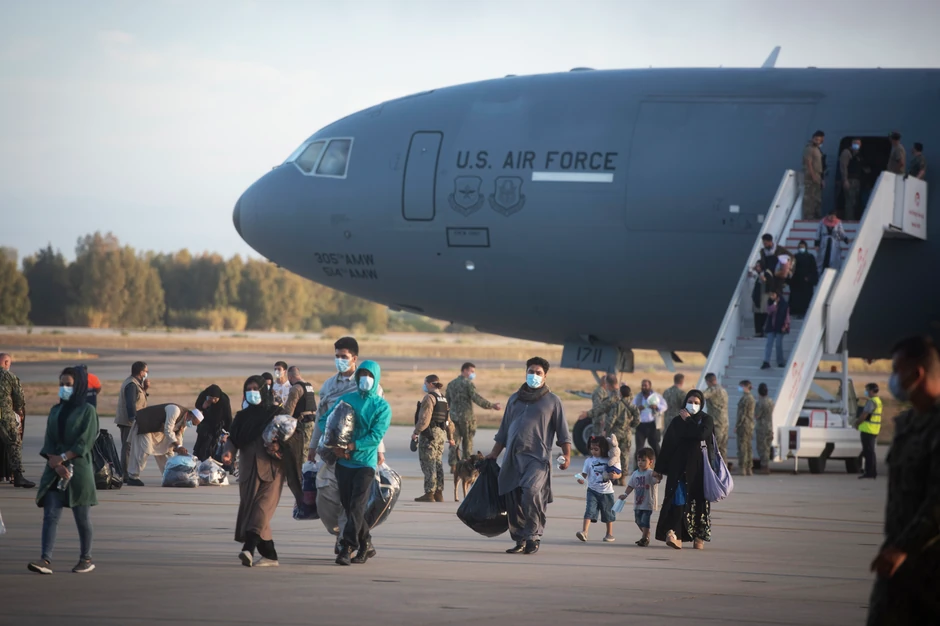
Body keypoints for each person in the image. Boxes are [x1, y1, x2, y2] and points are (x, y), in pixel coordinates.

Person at [866, 335, 940, 625]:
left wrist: (902, 548)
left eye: (897, 370)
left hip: (931, 565)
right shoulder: (908, 424)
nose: (892, 379)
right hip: (898, 561)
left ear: (917, 374)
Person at [307, 337, 387, 553]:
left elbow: (374, 421)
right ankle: (356, 537)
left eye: (344, 357)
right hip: (331, 450)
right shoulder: (329, 386)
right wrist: (313, 446)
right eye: (337, 356)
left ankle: (345, 541)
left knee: (352, 502)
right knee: (326, 496)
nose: (340, 360)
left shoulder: (366, 384)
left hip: (358, 453)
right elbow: (321, 418)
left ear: (354, 359)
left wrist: (379, 450)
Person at [487, 357, 571, 555]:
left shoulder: (552, 401)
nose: (534, 375)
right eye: (531, 371)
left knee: (531, 492)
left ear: (545, 375)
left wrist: (567, 455)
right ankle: (520, 539)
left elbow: (563, 432)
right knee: (513, 497)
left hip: (537, 458)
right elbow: (504, 430)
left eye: (538, 372)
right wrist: (493, 454)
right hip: (512, 457)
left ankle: (533, 535)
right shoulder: (515, 399)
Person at [28, 365, 99, 575]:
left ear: (78, 387)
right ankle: (45, 559)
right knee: (50, 514)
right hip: (55, 470)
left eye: (68, 385)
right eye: (61, 384)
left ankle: (86, 558)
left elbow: (84, 442)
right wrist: (55, 462)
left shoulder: (88, 411)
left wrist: (64, 458)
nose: (63, 388)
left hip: (78, 470)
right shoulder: (55, 410)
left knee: (82, 517)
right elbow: (49, 440)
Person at [332, 360, 392, 566]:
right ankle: (366, 543)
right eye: (362, 374)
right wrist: (334, 446)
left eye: (369, 375)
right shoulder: (347, 399)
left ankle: (347, 547)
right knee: (350, 508)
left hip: (364, 464)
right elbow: (329, 420)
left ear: (376, 378)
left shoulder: (382, 407)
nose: (365, 379)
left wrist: (351, 447)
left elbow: (375, 437)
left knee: (357, 505)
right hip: (343, 463)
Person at [222, 376, 284, 568]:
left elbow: (291, 439)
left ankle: (248, 549)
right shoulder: (242, 417)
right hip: (249, 471)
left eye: (256, 389)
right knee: (253, 511)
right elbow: (234, 438)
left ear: (264, 391)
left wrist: (277, 448)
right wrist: (228, 453)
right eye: (248, 389)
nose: (252, 392)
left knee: (261, 509)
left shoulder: (275, 413)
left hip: (273, 471)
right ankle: (270, 555)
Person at [654, 390, 715, 550]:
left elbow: (701, 435)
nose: (693, 405)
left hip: (699, 470)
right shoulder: (676, 421)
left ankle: (698, 537)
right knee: (678, 500)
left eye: (696, 402)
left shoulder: (706, 420)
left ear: (701, 404)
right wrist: (658, 469)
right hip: (679, 469)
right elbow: (667, 445)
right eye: (690, 401)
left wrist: (688, 420)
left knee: (699, 503)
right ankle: (676, 535)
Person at [125, 403, 203, 486]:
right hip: (145, 425)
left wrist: (179, 448)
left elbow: (179, 435)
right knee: (144, 450)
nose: (192, 425)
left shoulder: (185, 422)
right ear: (190, 415)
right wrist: (178, 446)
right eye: (193, 423)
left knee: (166, 450)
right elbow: (168, 429)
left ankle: (168, 475)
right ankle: (133, 477)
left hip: (157, 430)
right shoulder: (175, 410)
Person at [446, 362, 501, 468]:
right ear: (465, 370)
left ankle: (453, 466)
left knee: (454, 442)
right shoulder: (468, 384)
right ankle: (467, 465)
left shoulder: (451, 384)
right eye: (471, 371)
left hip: (453, 418)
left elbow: (447, 402)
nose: (473, 374)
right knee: (467, 444)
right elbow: (476, 398)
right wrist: (492, 406)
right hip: (467, 419)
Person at [580, 384, 639, 481]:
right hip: (627, 432)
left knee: (613, 454)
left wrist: (606, 430)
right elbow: (637, 419)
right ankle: (622, 477)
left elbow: (611, 419)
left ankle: (614, 475)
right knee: (624, 454)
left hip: (615, 433)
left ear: (620, 393)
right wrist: (631, 425)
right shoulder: (632, 406)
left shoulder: (617, 405)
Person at [413, 374, 455, 503]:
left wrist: (416, 432)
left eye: (425, 383)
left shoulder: (430, 398)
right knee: (438, 462)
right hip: (441, 434)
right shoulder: (443, 399)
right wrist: (451, 437)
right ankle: (439, 492)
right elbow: (449, 421)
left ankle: (429, 493)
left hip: (430, 434)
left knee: (428, 462)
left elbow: (425, 418)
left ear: (431, 384)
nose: (425, 386)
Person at [575, 435, 621, 543]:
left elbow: (619, 473)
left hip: (607, 492)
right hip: (592, 491)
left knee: (608, 513)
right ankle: (584, 532)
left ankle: (609, 534)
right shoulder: (588, 461)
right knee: (589, 511)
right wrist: (580, 478)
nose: (593, 451)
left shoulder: (610, 460)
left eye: (596, 449)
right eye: (591, 449)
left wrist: (615, 477)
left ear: (603, 448)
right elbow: (584, 474)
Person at [0, 354, 33, 488]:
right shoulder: (10, 377)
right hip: (4, 415)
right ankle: (18, 476)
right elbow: (19, 400)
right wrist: (19, 412)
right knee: (14, 443)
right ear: (6, 362)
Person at [619, 447, 661, 547]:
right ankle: (646, 534)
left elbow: (657, 480)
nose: (640, 462)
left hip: (648, 502)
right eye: (638, 460)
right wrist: (625, 494)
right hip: (638, 502)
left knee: (645, 520)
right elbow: (630, 486)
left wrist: (658, 475)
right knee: (638, 520)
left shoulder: (651, 474)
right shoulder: (635, 474)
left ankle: (644, 538)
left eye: (643, 460)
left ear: (650, 461)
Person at [115, 361, 148, 484]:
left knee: (130, 447)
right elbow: (130, 403)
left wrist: (145, 389)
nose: (146, 374)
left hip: (130, 420)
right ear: (141, 372)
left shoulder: (135, 383)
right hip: (129, 421)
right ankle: (125, 474)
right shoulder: (132, 384)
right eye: (146, 371)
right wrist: (133, 419)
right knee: (127, 447)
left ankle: (127, 473)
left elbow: (138, 399)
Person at [192, 385, 233, 463]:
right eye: (211, 398)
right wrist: (203, 406)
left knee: (213, 447)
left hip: (217, 426)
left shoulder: (224, 399)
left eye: (215, 399)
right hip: (205, 425)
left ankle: (212, 464)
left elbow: (228, 416)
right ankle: (202, 462)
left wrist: (227, 433)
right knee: (202, 446)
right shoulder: (203, 395)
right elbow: (198, 406)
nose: (213, 400)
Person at [854, 383, 882, 480]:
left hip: (868, 430)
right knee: (870, 452)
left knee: (868, 452)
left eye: (867, 390)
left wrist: (857, 423)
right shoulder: (877, 401)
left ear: (871, 390)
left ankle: (869, 472)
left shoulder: (871, 402)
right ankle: (872, 472)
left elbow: (865, 414)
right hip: (874, 430)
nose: (866, 391)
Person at [633, 380, 666, 458]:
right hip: (640, 425)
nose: (644, 387)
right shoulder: (638, 397)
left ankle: (660, 465)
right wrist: (637, 409)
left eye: (645, 385)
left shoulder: (656, 396)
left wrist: (656, 407)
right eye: (642, 385)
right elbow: (632, 407)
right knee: (639, 448)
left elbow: (664, 406)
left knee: (655, 446)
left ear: (650, 386)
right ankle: (637, 467)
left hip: (652, 424)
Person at [788, 240, 819, 318]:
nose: (801, 248)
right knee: (796, 298)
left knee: (805, 299)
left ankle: (804, 313)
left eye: (803, 247)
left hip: (806, 283)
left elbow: (813, 269)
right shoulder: (795, 257)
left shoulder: (810, 257)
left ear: (806, 248)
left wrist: (809, 278)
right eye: (800, 247)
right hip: (796, 282)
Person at [703, 373, 730, 464]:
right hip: (725, 422)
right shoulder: (723, 390)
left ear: (708, 381)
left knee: (714, 447)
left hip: (716, 423)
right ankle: (724, 468)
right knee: (723, 448)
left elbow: (702, 396)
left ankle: (714, 469)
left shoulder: (712, 390)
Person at [760, 290, 790, 370]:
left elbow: (786, 315)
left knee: (778, 344)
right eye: (770, 295)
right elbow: (769, 311)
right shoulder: (770, 302)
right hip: (771, 326)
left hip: (780, 326)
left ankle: (780, 361)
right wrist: (775, 304)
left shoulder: (784, 304)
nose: (771, 296)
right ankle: (766, 361)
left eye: (773, 294)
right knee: (769, 344)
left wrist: (785, 325)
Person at [815, 210, 850, 277]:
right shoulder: (822, 222)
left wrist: (845, 239)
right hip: (824, 241)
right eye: (830, 216)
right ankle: (820, 274)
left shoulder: (838, 223)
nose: (832, 217)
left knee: (834, 259)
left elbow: (841, 232)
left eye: (833, 216)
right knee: (822, 259)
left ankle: (833, 275)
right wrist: (816, 244)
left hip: (834, 242)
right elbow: (818, 233)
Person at [802, 130, 825, 220]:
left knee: (817, 197)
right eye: (816, 139)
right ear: (812, 138)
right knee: (810, 197)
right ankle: (809, 216)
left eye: (819, 140)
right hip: (810, 176)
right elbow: (808, 163)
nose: (817, 141)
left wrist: (821, 178)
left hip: (817, 175)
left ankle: (816, 215)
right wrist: (813, 175)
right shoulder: (809, 149)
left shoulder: (817, 149)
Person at [839, 139, 865, 220]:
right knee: (850, 201)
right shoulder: (847, 152)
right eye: (855, 143)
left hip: (856, 180)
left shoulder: (858, 155)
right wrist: (845, 180)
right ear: (851, 143)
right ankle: (849, 219)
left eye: (858, 144)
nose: (857, 146)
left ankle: (853, 217)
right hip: (850, 180)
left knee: (855, 201)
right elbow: (843, 167)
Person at [735, 380, 756, 476]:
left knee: (742, 447)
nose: (739, 388)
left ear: (745, 387)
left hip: (744, 425)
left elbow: (742, 414)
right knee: (748, 447)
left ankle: (742, 468)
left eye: (741, 386)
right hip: (750, 425)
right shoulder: (751, 398)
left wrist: (737, 425)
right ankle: (749, 468)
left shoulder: (745, 398)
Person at [755, 383, 774, 475]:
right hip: (770, 427)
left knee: (762, 447)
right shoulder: (770, 401)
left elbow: (757, 415)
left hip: (762, 427)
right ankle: (766, 465)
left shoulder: (760, 402)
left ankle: (764, 466)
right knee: (767, 447)